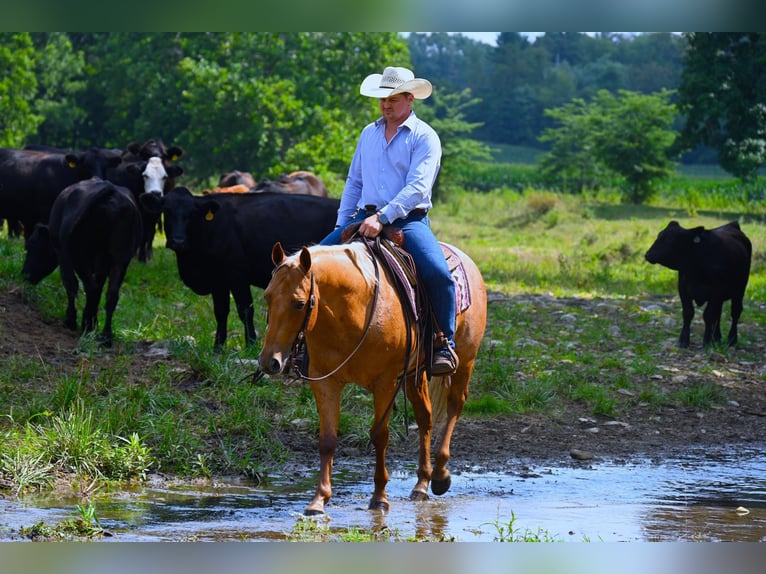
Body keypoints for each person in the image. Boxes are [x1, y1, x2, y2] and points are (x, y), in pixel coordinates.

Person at [320, 66, 458, 376]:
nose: (386, 104)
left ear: (410, 99)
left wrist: (382, 218)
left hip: (408, 220)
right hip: (362, 216)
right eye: (383, 98)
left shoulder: (425, 137)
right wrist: (340, 227)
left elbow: (418, 188)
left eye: (393, 98)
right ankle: (308, 344)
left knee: (438, 274)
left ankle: (444, 343)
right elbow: (354, 182)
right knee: (312, 265)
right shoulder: (368, 133)